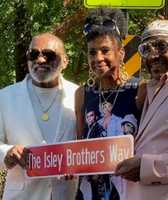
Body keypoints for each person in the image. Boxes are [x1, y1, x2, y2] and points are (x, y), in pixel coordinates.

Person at [0, 33, 78, 200]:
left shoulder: (79, 95)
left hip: (68, 193)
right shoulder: (5, 98)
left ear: (65, 61)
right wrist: (6, 152)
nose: (40, 60)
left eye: (49, 54)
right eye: (33, 54)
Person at [75, 8, 140, 200]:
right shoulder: (82, 94)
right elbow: (79, 146)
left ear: (120, 53)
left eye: (105, 51)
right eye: (92, 52)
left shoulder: (139, 90)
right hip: (90, 191)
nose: (97, 58)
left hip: (128, 189)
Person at [115, 20, 168, 200]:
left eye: (161, 46)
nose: (153, 56)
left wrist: (146, 167)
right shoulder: (148, 91)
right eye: (146, 49)